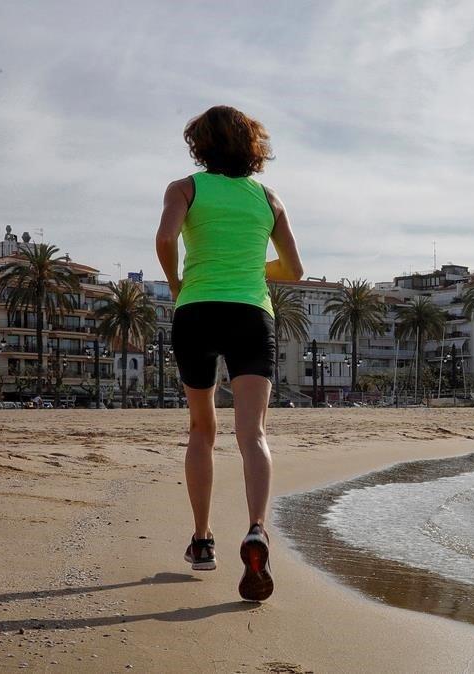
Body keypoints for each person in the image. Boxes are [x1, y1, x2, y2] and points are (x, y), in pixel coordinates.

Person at [156, 105, 304, 602]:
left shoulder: (185, 188)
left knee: (202, 429)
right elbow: (295, 270)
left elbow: (165, 238)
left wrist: (179, 282)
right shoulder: (269, 198)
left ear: (199, 145)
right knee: (253, 433)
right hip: (250, 314)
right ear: (252, 146)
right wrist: (248, 267)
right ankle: (257, 529)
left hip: (196, 310)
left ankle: (202, 542)